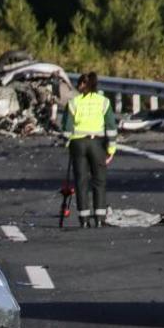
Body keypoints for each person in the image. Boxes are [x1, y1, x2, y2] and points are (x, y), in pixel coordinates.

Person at [62, 72, 118, 228]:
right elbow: (111, 127)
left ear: (82, 85)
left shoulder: (73, 102)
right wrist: (111, 149)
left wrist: (67, 143)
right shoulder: (103, 102)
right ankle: (100, 218)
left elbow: (66, 128)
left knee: (81, 182)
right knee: (99, 181)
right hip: (97, 144)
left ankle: (84, 219)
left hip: (78, 143)